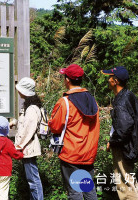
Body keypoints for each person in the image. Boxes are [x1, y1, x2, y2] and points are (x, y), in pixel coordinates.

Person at [48, 64, 100, 200]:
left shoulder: (65, 102)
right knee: (88, 188)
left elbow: (55, 127)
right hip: (88, 152)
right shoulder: (92, 100)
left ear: (67, 80)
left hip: (71, 153)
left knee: (75, 191)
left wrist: (49, 121)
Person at [102, 66, 138, 200]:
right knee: (129, 180)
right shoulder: (128, 95)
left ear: (115, 81)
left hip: (123, 147)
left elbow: (124, 128)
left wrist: (112, 141)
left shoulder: (121, 102)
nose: (108, 80)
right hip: (130, 144)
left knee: (125, 183)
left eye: (110, 77)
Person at [10, 77, 44, 200]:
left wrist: (18, 146)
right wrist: (15, 122)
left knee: (33, 179)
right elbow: (25, 125)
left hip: (28, 148)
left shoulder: (31, 109)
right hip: (28, 147)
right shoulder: (31, 107)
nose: (18, 92)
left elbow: (28, 130)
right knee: (32, 179)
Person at [0, 116, 24, 200]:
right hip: (4, 171)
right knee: (3, 193)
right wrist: (22, 154)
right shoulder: (8, 142)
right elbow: (15, 155)